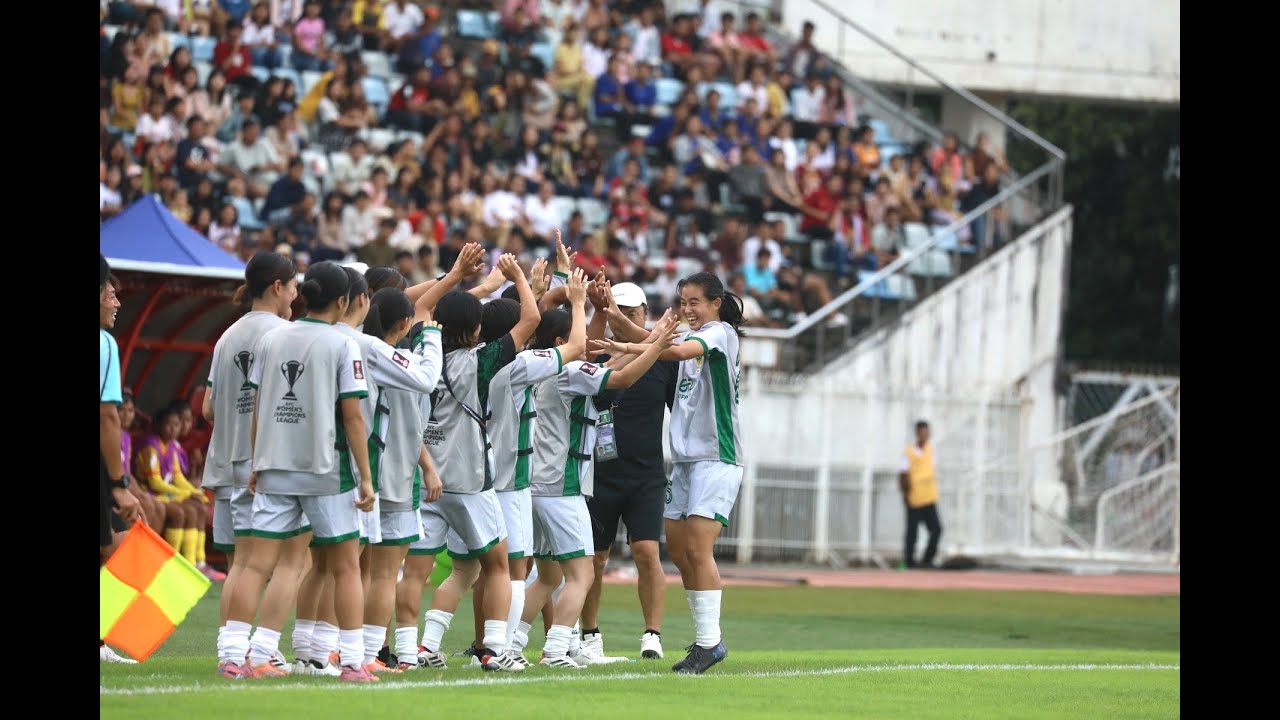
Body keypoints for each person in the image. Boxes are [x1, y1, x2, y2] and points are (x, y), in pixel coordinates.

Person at [222, 261, 378, 683]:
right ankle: (351, 663)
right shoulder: (345, 346)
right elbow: (354, 418)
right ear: (343, 301)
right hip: (325, 470)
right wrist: (365, 477)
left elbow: (258, 405)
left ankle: (237, 656)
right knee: (345, 566)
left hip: (274, 465)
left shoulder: (272, 339)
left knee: (256, 564)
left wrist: (256, 462)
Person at [507, 288, 679, 669]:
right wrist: (657, 343)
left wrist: (590, 306)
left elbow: (600, 357)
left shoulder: (530, 363)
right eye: (576, 334)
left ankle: (510, 645)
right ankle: (555, 652)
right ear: (560, 341)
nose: (583, 340)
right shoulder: (569, 373)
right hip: (562, 484)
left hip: (532, 482)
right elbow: (625, 377)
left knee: (547, 576)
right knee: (581, 573)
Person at [607, 271, 744, 674]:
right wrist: (616, 317)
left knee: (699, 549)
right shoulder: (687, 334)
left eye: (695, 302)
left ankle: (709, 643)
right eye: (683, 302)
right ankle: (707, 640)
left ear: (715, 303)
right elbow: (655, 340)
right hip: (684, 461)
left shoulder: (719, 334)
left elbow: (673, 352)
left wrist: (631, 344)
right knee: (681, 552)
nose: (687, 309)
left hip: (716, 457)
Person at [415, 254, 541, 672]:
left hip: (424, 477)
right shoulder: (479, 361)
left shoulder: (419, 353)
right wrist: (519, 277)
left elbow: (420, 308)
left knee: (415, 572)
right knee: (499, 565)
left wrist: (461, 279)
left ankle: (409, 646)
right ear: (475, 329)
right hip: (469, 481)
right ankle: (493, 649)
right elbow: (531, 321)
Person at [205, 251, 313, 678]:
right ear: (277, 286)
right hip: (267, 467)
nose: (297, 293)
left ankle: (230, 652)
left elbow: (209, 407)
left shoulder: (226, 336)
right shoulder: (284, 335)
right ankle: (263, 651)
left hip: (227, 464)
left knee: (241, 566)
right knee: (293, 563)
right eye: (294, 285)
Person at [579, 281, 677, 661]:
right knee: (594, 558)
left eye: (632, 312)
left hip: (646, 474)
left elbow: (682, 411)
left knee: (646, 552)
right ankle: (590, 633)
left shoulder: (661, 359)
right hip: (600, 473)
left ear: (644, 312)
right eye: (618, 310)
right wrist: (598, 311)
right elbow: (583, 359)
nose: (625, 318)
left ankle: (652, 634)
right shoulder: (599, 352)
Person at [100, 254, 142, 665]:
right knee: (118, 550)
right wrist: (119, 483)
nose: (116, 302)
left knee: (115, 548)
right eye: (111, 293)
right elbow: (107, 415)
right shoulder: (104, 344)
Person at [899, 420, 943, 569]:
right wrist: (905, 494)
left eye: (927, 432)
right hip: (914, 497)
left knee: (936, 529)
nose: (926, 435)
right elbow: (903, 474)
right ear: (918, 433)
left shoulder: (931, 450)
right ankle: (909, 561)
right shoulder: (909, 452)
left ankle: (927, 559)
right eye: (923, 432)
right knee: (912, 531)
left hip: (929, 496)